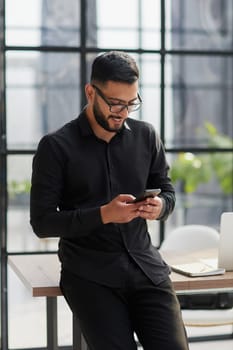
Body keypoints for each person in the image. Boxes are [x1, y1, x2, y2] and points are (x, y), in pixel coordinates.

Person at [30, 51, 189, 350]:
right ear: (91, 92)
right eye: (115, 103)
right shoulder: (56, 147)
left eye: (131, 103)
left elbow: (166, 191)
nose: (123, 112)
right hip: (90, 274)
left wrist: (160, 207)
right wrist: (104, 214)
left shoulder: (147, 136)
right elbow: (42, 222)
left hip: (146, 268)